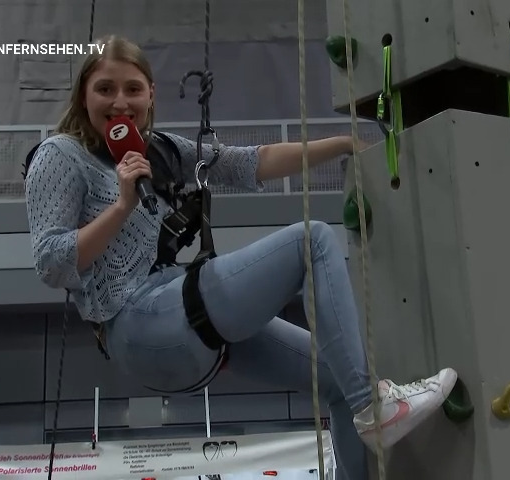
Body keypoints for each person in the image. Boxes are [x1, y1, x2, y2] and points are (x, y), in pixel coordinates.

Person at [24, 34, 458, 480]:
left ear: (150, 94)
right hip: (136, 323)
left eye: (132, 88)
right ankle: (375, 408)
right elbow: (51, 263)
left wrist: (343, 144)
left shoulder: (160, 150)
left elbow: (250, 162)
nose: (120, 102)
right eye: (105, 89)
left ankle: (363, 410)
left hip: (179, 314)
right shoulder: (60, 155)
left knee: (338, 380)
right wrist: (121, 206)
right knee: (312, 241)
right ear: (83, 95)